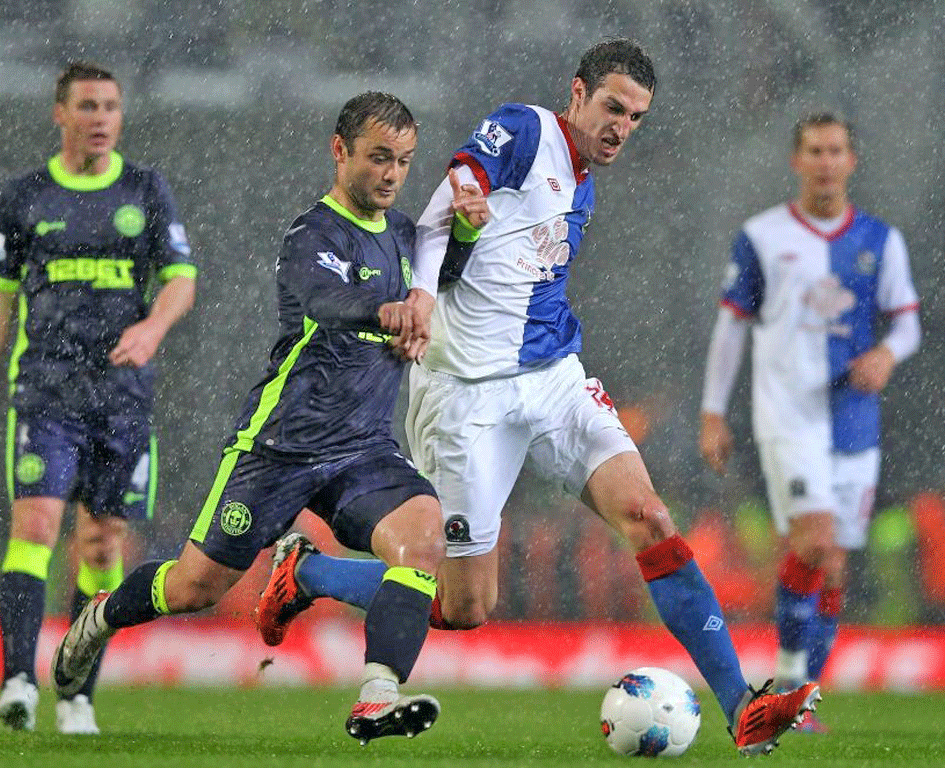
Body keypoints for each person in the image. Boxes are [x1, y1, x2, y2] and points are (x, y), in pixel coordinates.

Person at [256, 39, 819, 756]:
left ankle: (743, 706)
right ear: (577, 93)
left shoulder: (584, 180)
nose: (621, 126)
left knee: (649, 515)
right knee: (465, 607)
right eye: (612, 107)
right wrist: (430, 278)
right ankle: (305, 572)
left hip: (553, 378)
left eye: (636, 117)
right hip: (466, 398)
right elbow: (456, 190)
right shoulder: (525, 128)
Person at [51, 92, 447, 745]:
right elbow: (324, 301)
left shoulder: (408, 238)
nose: (392, 174)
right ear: (340, 149)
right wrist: (386, 313)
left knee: (422, 540)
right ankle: (102, 614)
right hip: (280, 448)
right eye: (379, 157)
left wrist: (474, 228)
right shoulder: (311, 234)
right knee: (191, 588)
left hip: (363, 450)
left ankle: (377, 695)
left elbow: (459, 267)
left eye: (404, 162)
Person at [0, 61, 197, 735]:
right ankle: (19, 681)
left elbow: (180, 280)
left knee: (101, 541)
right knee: (33, 527)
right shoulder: (25, 196)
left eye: (111, 106)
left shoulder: (146, 189)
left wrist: (152, 326)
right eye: (87, 106)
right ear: (61, 114)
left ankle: (77, 690)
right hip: (46, 391)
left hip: (121, 397)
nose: (101, 118)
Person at [698, 112, 920, 731]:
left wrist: (885, 353)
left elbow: (907, 324)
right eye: (815, 150)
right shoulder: (762, 237)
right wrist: (714, 412)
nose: (826, 161)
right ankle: (789, 684)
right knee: (814, 542)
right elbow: (730, 327)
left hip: (853, 421)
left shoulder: (881, 241)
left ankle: (803, 699)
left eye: (836, 151)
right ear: (797, 161)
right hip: (787, 416)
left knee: (834, 564)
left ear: (852, 161)